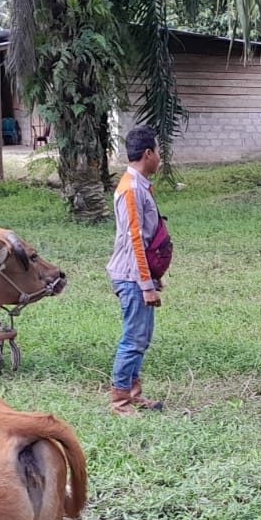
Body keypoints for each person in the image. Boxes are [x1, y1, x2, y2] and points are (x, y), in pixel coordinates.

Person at [107, 125, 165, 416]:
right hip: (130, 277)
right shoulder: (130, 189)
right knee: (132, 338)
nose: (160, 158)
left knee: (141, 337)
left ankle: (132, 393)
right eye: (158, 152)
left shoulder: (140, 185)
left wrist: (153, 278)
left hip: (138, 276)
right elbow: (135, 239)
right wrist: (146, 284)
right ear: (147, 153)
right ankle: (120, 401)